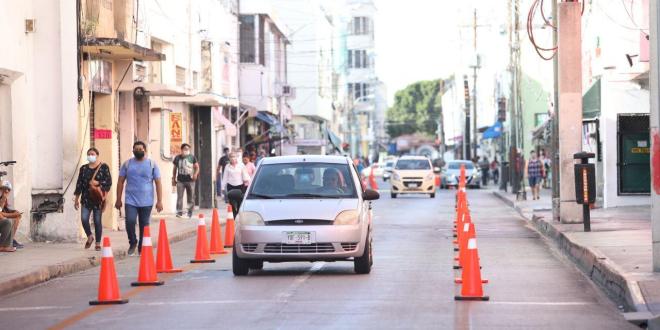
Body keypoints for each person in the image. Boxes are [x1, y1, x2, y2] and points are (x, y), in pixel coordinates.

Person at [115, 141, 163, 256]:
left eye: (140, 149)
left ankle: (142, 246)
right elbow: (120, 182)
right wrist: (118, 199)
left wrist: (159, 201)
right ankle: (133, 242)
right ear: (133, 151)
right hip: (130, 200)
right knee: (130, 221)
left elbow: (158, 183)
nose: (138, 151)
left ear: (145, 150)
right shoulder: (127, 164)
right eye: (136, 149)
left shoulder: (152, 164)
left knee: (144, 225)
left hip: (147, 201)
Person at [74, 147, 112, 250]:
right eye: (89, 154)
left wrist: (98, 183)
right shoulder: (83, 169)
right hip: (86, 198)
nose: (91, 156)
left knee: (97, 221)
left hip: (97, 198)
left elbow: (108, 182)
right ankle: (90, 236)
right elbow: (79, 184)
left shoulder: (104, 167)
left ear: (97, 155)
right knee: (84, 218)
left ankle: (98, 243)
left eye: (93, 154)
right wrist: (77, 198)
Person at [172, 143, 199, 218]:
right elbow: (174, 169)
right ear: (181, 150)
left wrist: (195, 174)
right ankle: (179, 213)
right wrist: (173, 178)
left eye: (188, 149)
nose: (186, 150)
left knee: (191, 197)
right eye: (185, 149)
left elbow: (197, 167)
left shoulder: (192, 157)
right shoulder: (177, 158)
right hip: (180, 181)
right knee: (179, 197)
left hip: (190, 181)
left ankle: (189, 213)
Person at [0, 181, 22, 250]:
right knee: (8, 221)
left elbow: (2, 210)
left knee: (16, 216)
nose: (6, 191)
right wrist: (9, 215)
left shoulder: (4, 197)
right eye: (4, 189)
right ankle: (3, 245)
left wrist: (15, 213)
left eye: (8, 190)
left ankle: (10, 241)